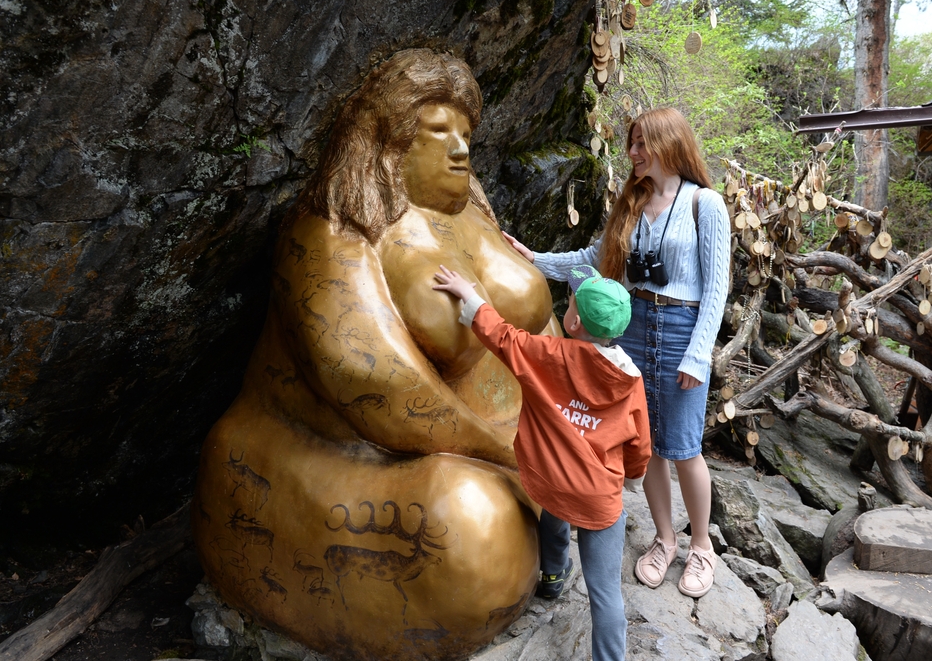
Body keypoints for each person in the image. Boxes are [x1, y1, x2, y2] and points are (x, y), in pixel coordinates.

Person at [191, 49, 561, 660]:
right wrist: (515, 454)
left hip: (498, 445)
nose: (461, 150)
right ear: (389, 146)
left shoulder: (473, 218)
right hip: (328, 457)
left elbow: (542, 326)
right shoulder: (329, 233)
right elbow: (373, 382)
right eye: (439, 133)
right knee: (472, 530)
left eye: (466, 134)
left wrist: (565, 422)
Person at [505, 107, 730, 598]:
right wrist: (535, 258)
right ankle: (664, 539)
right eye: (631, 144)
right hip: (631, 327)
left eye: (640, 144)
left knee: (685, 447)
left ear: (668, 144)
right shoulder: (631, 201)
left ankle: (701, 547)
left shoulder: (705, 204)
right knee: (646, 446)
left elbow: (717, 289)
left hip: (680, 329)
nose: (632, 154)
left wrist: (697, 355)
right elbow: (592, 258)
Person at [433, 262, 651, 661]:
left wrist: (468, 295)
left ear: (574, 321)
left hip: (554, 482)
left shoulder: (549, 354)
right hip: (599, 498)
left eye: (570, 303)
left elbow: (504, 338)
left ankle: (552, 577)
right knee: (604, 593)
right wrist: (633, 476)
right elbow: (639, 443)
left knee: (554, 516)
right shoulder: (630, 380)